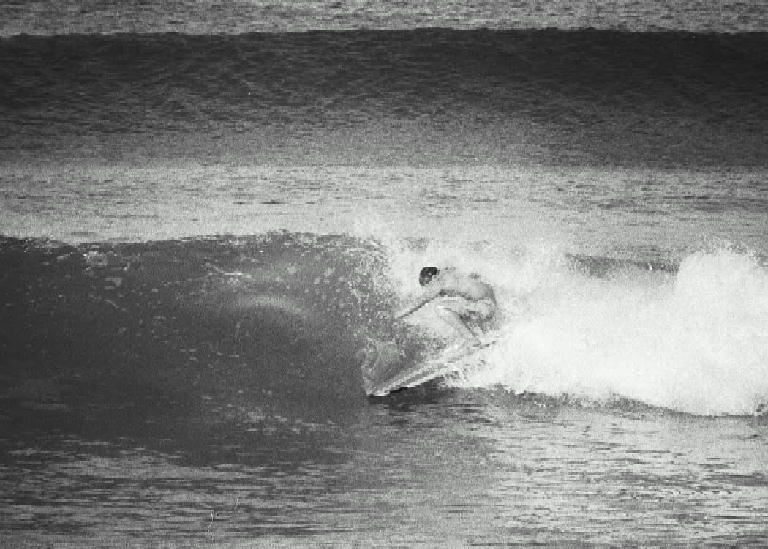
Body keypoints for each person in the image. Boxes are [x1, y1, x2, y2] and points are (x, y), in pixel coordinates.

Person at [394, 266, 497, 346]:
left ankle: (472, 339)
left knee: (441, 308)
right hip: (490, 304)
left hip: (484, 307)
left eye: (428, 284)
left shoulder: (439, 281)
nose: (429, 289)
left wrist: (395, 316)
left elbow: (418, 303)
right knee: (459, 310)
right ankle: (482, 334)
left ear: (433, 277)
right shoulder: (451, 272)